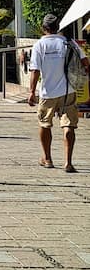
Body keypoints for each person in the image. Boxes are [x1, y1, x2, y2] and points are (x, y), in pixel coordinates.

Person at [28, 13, 89, 173]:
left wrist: (32, 91)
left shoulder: (39, 45)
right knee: (69, 125)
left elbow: (35, 70)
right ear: (58, 28)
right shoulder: (69, 42)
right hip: (68, 91)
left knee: (44, 123)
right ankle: (68, 162)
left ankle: (47, 159)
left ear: (43, 28)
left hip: (47, 92)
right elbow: (85, 62)